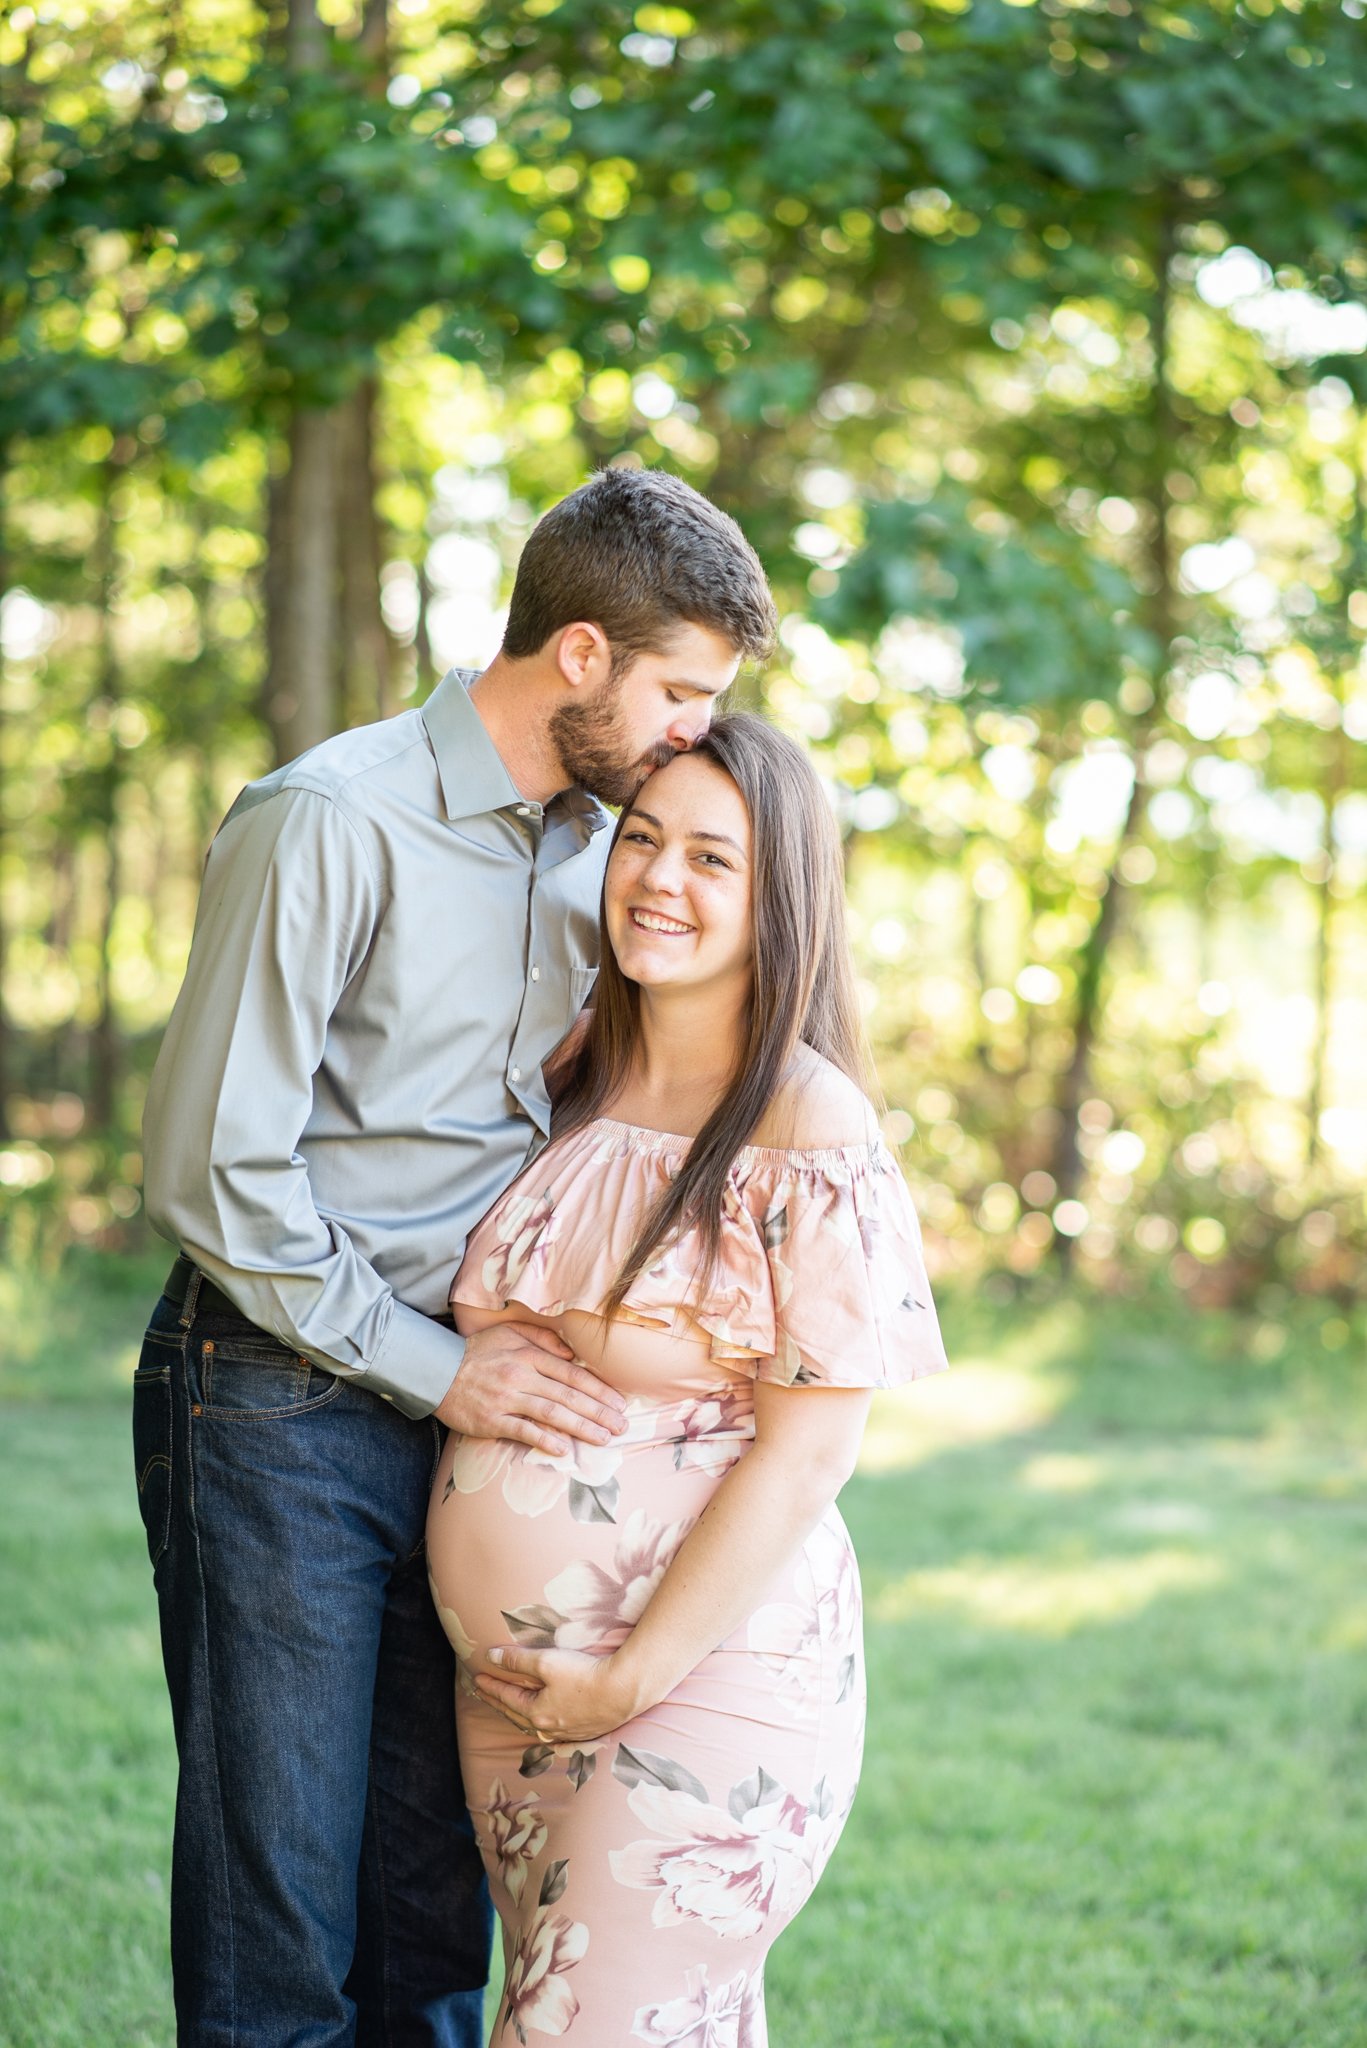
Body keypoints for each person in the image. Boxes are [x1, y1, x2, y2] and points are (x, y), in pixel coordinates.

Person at [132, 467, 778, 2047]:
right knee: (282, 1885)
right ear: (579, 655)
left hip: (471, 1420)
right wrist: (442, 1369)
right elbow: (213, 1172)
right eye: (680, 690)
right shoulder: (326, 820)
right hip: (276, 1397)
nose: (693, 731)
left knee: (431, 1892)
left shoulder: (597, 858)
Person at [427, 714, 949, 2046]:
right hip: (522, 1698)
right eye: (644, 840)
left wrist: (633, 1673)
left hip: (703, 1677)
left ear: (780, 900)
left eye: (714, 858)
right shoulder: (571, 1071)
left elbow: (809, 1453)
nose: (662, 879)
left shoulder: (804, 1122)